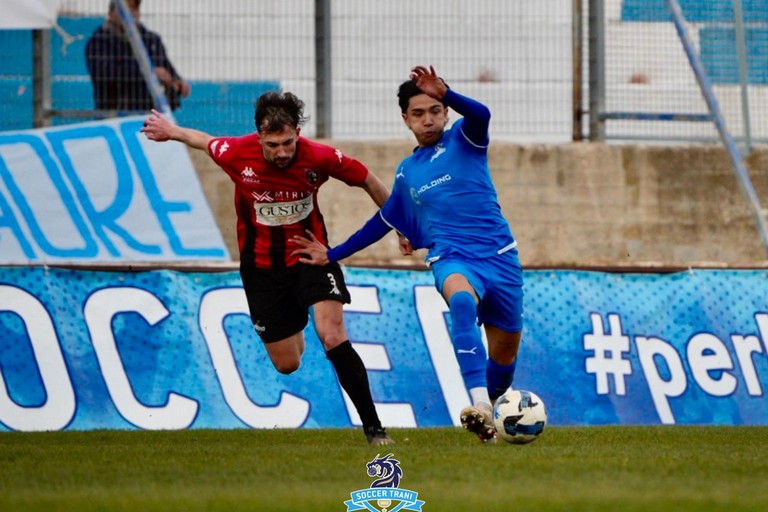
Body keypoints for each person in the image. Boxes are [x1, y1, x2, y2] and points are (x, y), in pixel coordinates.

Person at [140, 91, 394, 446]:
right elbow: (203, 140)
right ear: (258, 136)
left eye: (288, 142)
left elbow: (369, 179)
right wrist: (171, 130)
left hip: (312, 257)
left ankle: (374, 429)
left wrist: (399, 226)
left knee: (333, 334)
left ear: (297, 133)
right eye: (273, 144)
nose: (282, 152)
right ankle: (295, 318)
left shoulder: (319, 157)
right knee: (287, 364)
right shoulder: (236, 154)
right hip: (261, 269)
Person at [291, 65, 524, 443]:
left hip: (501, 258)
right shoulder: (406, 172)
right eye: (418, 114)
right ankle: (479, 404)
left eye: (434, 111)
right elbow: (383, 220)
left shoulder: (466, 139)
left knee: (505, 354)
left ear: (445, 113)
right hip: (452, 257)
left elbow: (482, 114)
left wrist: (446, 92)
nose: (428, 120)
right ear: (405, 119)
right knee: (461, 301)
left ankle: (492, 414)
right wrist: (333, 254)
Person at [85, 0, 190, 112]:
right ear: (111, 12)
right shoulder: (99, 42)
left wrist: (177, 82)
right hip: (114, 116)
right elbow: (105, 75)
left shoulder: (151, 40)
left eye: (134, 8)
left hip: (149, 117)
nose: (130, 13)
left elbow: (166, 69)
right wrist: (149, 73)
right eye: (125, 8)